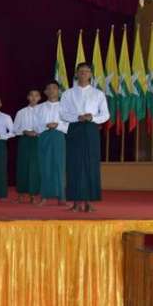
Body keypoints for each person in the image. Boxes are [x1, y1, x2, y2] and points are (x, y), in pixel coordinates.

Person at [60, 62, 110, 212]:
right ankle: (75, 202)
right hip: (75, 128)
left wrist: (92, 117)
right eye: (81, 71)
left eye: (87, 71)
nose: (83, 73)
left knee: (90, 164)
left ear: (91, 74)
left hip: (91, 129)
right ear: (76, 73)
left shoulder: (98, 94)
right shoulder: (68, 93)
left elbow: (106, 115)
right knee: (74, 164)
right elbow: (62, 113)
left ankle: (89, 202)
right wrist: (77, 117)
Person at [36, 81, 68, 206]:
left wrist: (57, 125)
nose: (52, 90)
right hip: (44, 136)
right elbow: (36, 125)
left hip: (59, 136)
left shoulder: (65, 107)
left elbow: (69, 124)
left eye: (54, 88)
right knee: (45, 166)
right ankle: (44, 196)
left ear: (59, 91)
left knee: (59, 166)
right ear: (45, 92)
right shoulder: (39, 108)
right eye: (49, 88)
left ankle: (61, 196)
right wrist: (46, 125)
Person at [13, 90, 42, 203]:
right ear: (28, 97)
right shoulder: (21, 112)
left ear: (39, 98)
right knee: (23, 166)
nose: (34, 98)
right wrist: (24, 131)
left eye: (36, 96)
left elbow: (46, 126)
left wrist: (38, 132)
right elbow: (15, 129)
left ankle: (33, 195)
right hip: (24, 140)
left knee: (35, 167)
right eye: (31, 95)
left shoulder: (43, 111)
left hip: (38, 140)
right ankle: (21, 194)